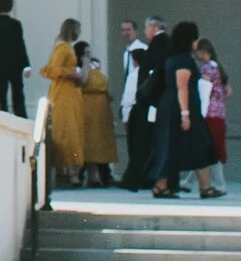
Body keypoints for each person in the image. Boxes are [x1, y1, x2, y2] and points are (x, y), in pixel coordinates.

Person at [151, 17, 222, 200]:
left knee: (177, 145)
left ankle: (166, 185)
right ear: (189, 40)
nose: (197, 42)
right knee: (198, 144)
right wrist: (185, 114)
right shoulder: (183, 60)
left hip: (172, 107)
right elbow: (182, 86)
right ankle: (203, 187)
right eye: (195, 38)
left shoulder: (174, 58)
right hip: (181, 109)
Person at [119, 16, 167, 189]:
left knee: (141, 144)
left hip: (144, 103)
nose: (125, 33)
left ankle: (137, 177)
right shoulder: (130, 52)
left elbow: (134, 88)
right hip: (147, 103)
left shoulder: (150, 48)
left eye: (128, 30)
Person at [43, 25, 87, 184]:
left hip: (69, 91)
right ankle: (68, 170)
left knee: (71, 128)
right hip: (63, 91)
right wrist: (72, 73)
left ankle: (69, 170)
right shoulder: (63, 47)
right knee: (66, 129)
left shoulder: (66, 47)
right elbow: (53, 69)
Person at [75, 41, 119, 183]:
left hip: (101, 108)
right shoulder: (78, 69)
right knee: (89, 142)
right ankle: (84, 175)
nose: (90, 55)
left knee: (100, 142)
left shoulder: (96, 67)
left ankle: (100, 175)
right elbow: (82, 81)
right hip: (87, 108)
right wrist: (86, 64)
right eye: (86, 53)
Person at [195, 36, 231, 192]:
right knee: (209, 148)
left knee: (207, 149)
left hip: (208, 112)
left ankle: (219, 183)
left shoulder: (206, 69)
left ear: (203, 52)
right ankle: (190, 182)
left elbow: (203, 89)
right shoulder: (219, 68)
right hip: (219, 113)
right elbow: (226, 92)